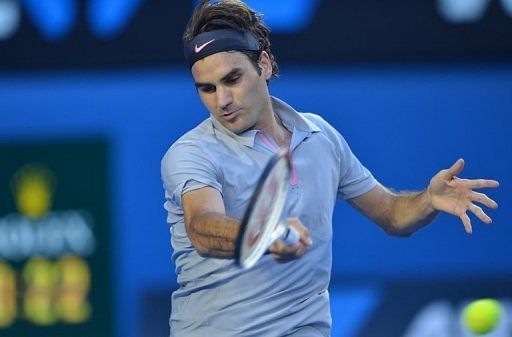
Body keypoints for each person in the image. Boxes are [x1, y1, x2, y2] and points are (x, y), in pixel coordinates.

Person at [160, 1, 500, 336]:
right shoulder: (191, 153)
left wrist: (428, 199)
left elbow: (392, 214)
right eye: (207, 89)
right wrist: (267, 234)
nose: (222, 100)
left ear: (263, 64)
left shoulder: (321, 137)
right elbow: (203, 228)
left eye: (232, 79)